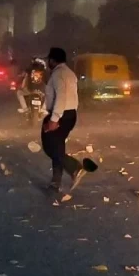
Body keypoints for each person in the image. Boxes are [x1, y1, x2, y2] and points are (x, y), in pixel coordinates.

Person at [41, 47, 96, 192]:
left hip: (61, 114)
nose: (48, 63)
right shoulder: (70, 73)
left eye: (49, 60)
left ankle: (74, 167)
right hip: (70, 114)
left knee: (49, 146)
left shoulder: (58, 74)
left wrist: (54, 119)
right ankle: (55, 182)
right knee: (57, 146)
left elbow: (61, 97)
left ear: (53, 60)